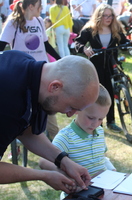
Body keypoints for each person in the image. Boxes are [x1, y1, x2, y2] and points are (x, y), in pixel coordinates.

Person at [0, 50, 100, 193]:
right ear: (55, 87)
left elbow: (27, 131)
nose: (70, 115)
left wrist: (63, 161)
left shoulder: (34, 75)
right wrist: (43, 175)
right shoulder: (7, 99)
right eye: (71, 107)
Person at [0, 0, 61, 156]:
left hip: (43, 75)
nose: (42, 8)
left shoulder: (40, 21)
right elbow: (1, 45)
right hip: (22, 77)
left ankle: (59, 153)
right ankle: (15, 148)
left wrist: (60, 59)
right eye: (39, 5)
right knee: (19, 116)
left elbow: (46, 45)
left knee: (49, 114)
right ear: (31, 6)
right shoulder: (13, 22)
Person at [39, 84, 115, 199]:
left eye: (101, 119)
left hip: (102, 191)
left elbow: (102, 157)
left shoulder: (99, 131)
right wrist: (68, 178)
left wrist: (112, 171)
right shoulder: (65, 138)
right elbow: (44, 161)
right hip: (78, 194)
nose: (95, 124)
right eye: (90, 118)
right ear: (77, 110)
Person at [75, 4, 132, 133]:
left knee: (110, 93)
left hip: (111, 64)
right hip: (95, 66)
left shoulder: (116, 28)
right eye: (105, 16)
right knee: (96, 95)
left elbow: (123, 43)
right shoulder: (90, 29)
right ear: (99, 16)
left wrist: (131, 43)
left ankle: (111, 121)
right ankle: (97, 123)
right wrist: (85, 49)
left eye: (110, 15)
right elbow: (77, 42)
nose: (108, 18)